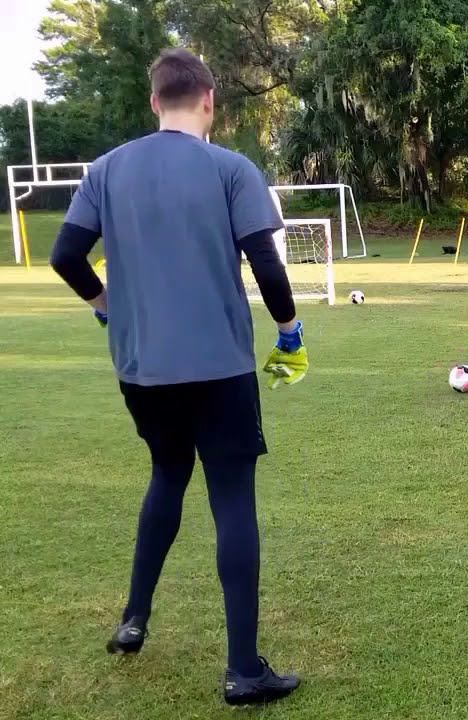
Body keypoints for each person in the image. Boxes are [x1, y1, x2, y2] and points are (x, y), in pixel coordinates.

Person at [48, 48, 308, 707]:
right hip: (220, 367)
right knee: (232, 499)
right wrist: (289, 331)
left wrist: (106, 304)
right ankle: (244, 669)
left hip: (142, 369)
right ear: (210, 100)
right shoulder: (231, 168)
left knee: (167, 474)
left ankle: (135, 617)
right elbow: (267, 264)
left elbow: (66, 255)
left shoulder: (106, 169)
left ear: (154, 101)